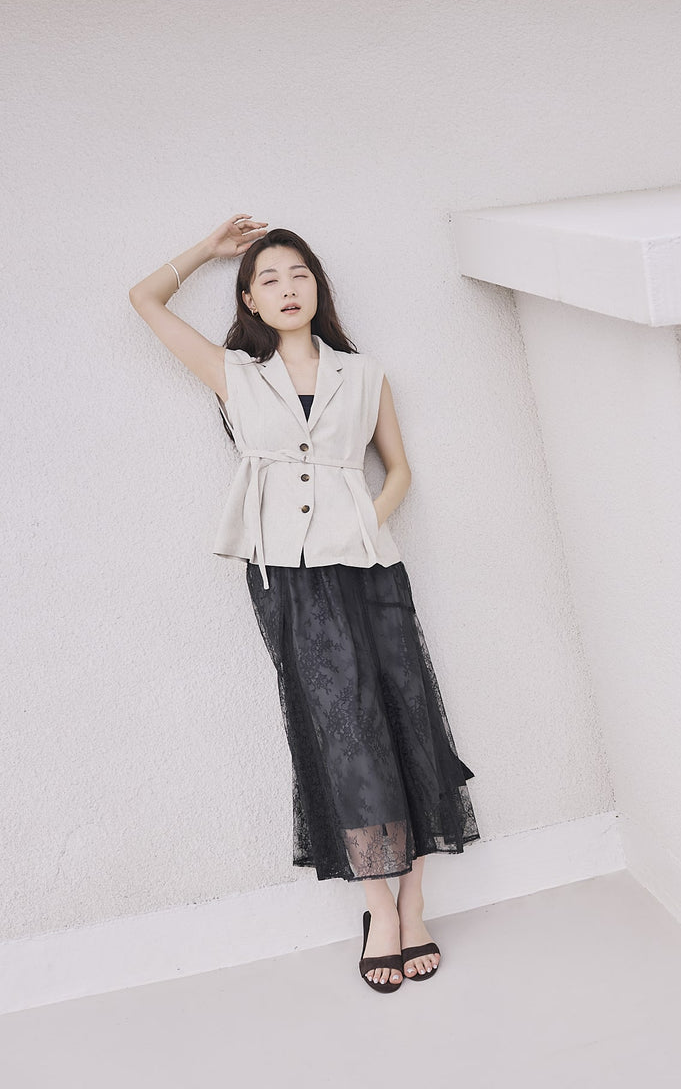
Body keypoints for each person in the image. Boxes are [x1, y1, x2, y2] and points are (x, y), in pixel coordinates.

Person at [128, 213, 480, 993]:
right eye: (269, 279)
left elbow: (399, 470)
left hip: (368, 564)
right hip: (287, 572)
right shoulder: (235, 374)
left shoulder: (365, 373)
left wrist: (366, 522)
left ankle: (415, 900)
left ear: (318, 288)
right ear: (249, 300)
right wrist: (209, 251)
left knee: (407, 712)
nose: (288, 288)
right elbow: (143, 300)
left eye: (299, 275)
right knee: (341, 731)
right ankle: (378, 908)